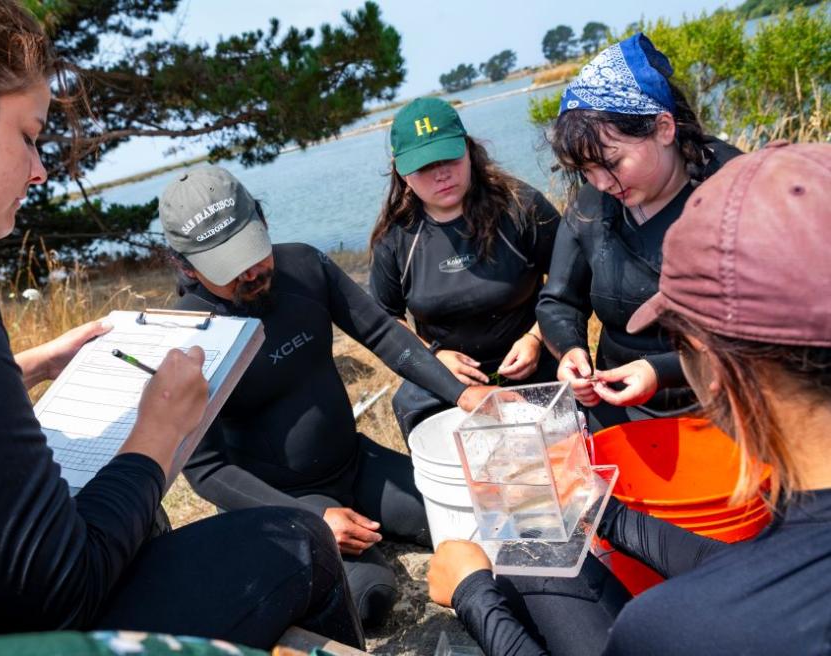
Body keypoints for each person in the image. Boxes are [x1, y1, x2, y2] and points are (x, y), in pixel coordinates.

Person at [0, 0, 363, 649]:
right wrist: (157, 433)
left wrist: (22, 368)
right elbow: (65, 590)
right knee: (295, 542)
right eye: (28, 135)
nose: (39, 170)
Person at [426, 141, 831, 654]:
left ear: (717, 370)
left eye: (679, 343)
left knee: (525, 561)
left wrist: (474, 595)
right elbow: (766, 566)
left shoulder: (671, 625)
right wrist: (602, 511)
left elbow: (750, 580)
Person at [162, 166, 496, 628]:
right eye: (227, 267)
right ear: (185, 266)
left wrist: (461, 394)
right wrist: (308, 518)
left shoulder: (303, 266)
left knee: (476, 521)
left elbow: (380, 331)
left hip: (355, 464)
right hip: (283, 498)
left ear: (261, 219)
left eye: (252, 251)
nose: (250, 272)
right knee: (371, 600)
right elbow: (205, 468)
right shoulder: (184, 338)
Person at [536, 34, 741, 431]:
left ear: (664, 128)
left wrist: (661, 370)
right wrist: (569, 350)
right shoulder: (593, 205)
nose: (600, 183)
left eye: (611, 163)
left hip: (724, 406)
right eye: (585, 171)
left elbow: (766, 329)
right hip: (619, 407)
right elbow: (558, 302)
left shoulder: (734, 190)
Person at [370, 98, 561, 440]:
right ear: (402, 171)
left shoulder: (522, 206)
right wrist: (433, 357)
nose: (441, 173)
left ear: (469, 150)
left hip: (533, 364)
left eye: (450, 159)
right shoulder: (394, 237)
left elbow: (569, 281)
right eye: (425, 166)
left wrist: (537, 337)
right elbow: (386, 318)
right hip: (445, 378)